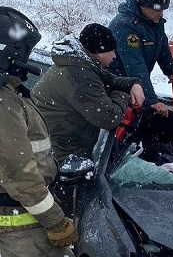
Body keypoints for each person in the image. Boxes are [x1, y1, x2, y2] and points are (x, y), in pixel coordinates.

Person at [0, 7, 115, 257]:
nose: (25, 56)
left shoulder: (9, 92)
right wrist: (56, 220)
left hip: (11, 212)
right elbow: (21, 176)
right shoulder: (2, 104)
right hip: (20, 211)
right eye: (22, 49)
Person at [31, 23, 144, 162]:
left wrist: (134, 83)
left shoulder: (79, 64)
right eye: (112, 50)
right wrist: (122, 95)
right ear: (99, 52)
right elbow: (109, 118)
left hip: (55, 142)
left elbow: (110, 81)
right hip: (58, 155)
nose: (115, 55)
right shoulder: (80, 76)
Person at [108, 0, 173, 116]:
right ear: (142, 6)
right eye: (157, 10)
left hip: (136, 82)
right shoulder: (125, 26)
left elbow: (161, 44)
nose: (161, 14)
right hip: (119, 83)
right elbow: (135, 66)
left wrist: (170, 70)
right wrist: (152, 101)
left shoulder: (153, 21)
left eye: (162, 9)